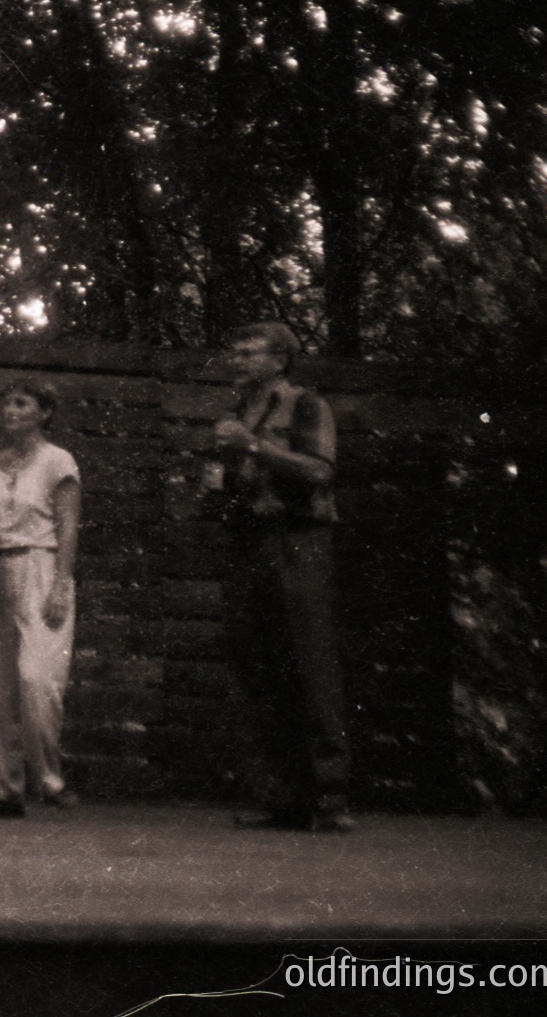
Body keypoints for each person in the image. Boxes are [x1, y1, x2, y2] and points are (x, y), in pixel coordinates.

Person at [209, 321, 352, 833]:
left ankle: (329, 800)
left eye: (251, 352)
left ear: (280, 360)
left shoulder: (306, 405)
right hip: (248, 544)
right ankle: (280, 799)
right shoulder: (238, 411)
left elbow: (319, 471)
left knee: (308, 664)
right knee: (257, 667)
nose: (239, 360)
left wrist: (252, 446)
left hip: (296, 541)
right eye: (236, 352)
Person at [0, 381, 81, 818]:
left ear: (44, 413)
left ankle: (50, 780)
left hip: (42, 567)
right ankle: (3, 788)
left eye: (21, 403)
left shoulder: (58, 461)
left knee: (37, 680)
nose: (10, 410)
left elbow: (68, 526)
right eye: (6, 402)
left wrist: (61, 585)